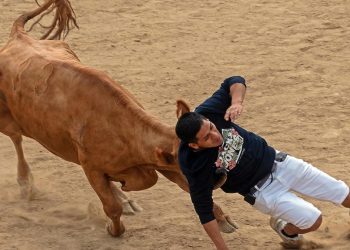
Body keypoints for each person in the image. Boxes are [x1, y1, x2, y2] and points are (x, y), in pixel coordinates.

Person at [175, 76, 350, 249]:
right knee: (313, 220)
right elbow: (205, 213)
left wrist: (237, 102)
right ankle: (286, 230)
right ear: (194, 145)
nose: (215, 135)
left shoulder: (207, 112)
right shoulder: (193, 166)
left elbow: (234, 81)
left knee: (343, 193)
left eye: (212, 128)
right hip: (263, 192)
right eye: (207, 137)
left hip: (281, 163)